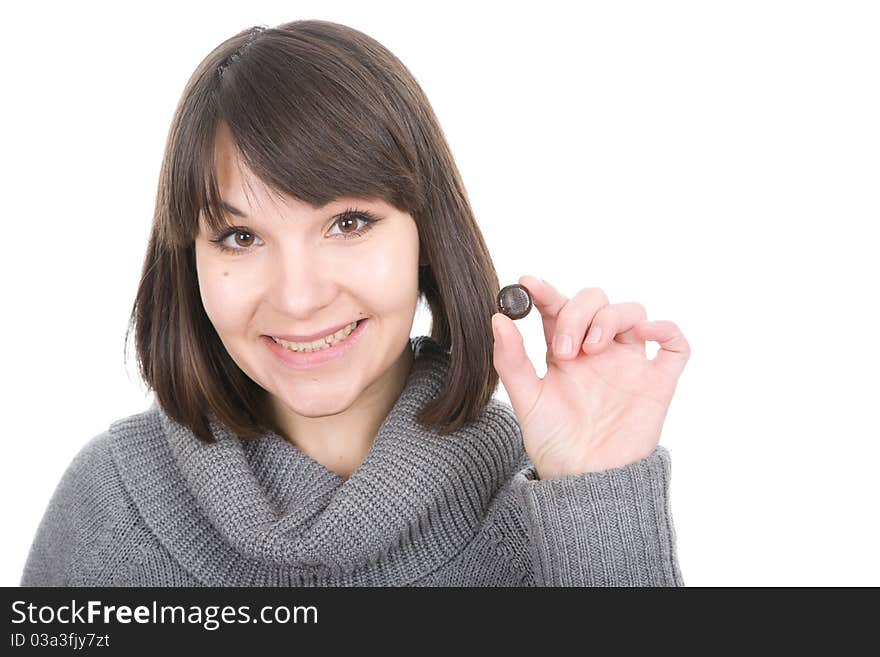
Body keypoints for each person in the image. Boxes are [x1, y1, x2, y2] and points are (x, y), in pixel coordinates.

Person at [20, 19, 690, 587]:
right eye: (240, 236)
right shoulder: (112, 507)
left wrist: (601, 501)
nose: (300, 295)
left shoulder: (557, 503)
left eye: (347, 224)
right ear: (189, 261)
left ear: (426, 233)